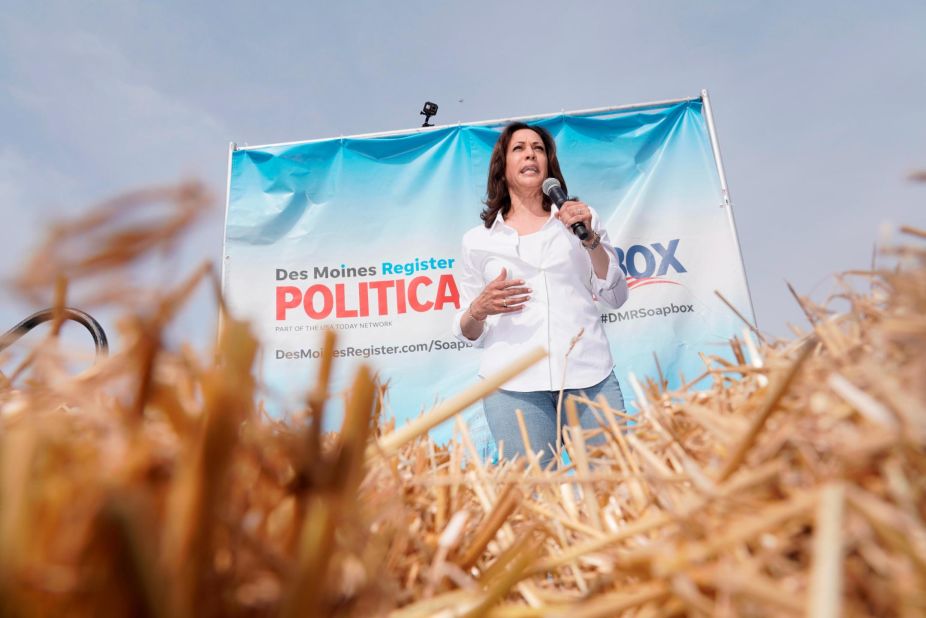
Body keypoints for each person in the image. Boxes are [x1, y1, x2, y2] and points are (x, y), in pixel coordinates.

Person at [452, 122, 630, 468]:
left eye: (538, 148)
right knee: (536, 499)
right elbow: (469, 331)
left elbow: (616, 295)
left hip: (589, 376)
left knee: (617, 486)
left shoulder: (582, 218)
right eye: (518, 148)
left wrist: (590, 239)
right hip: (512, 386)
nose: (530, 153)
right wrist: (479, 308)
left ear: (549, 164)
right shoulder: (478, 240)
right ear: (502, 167)